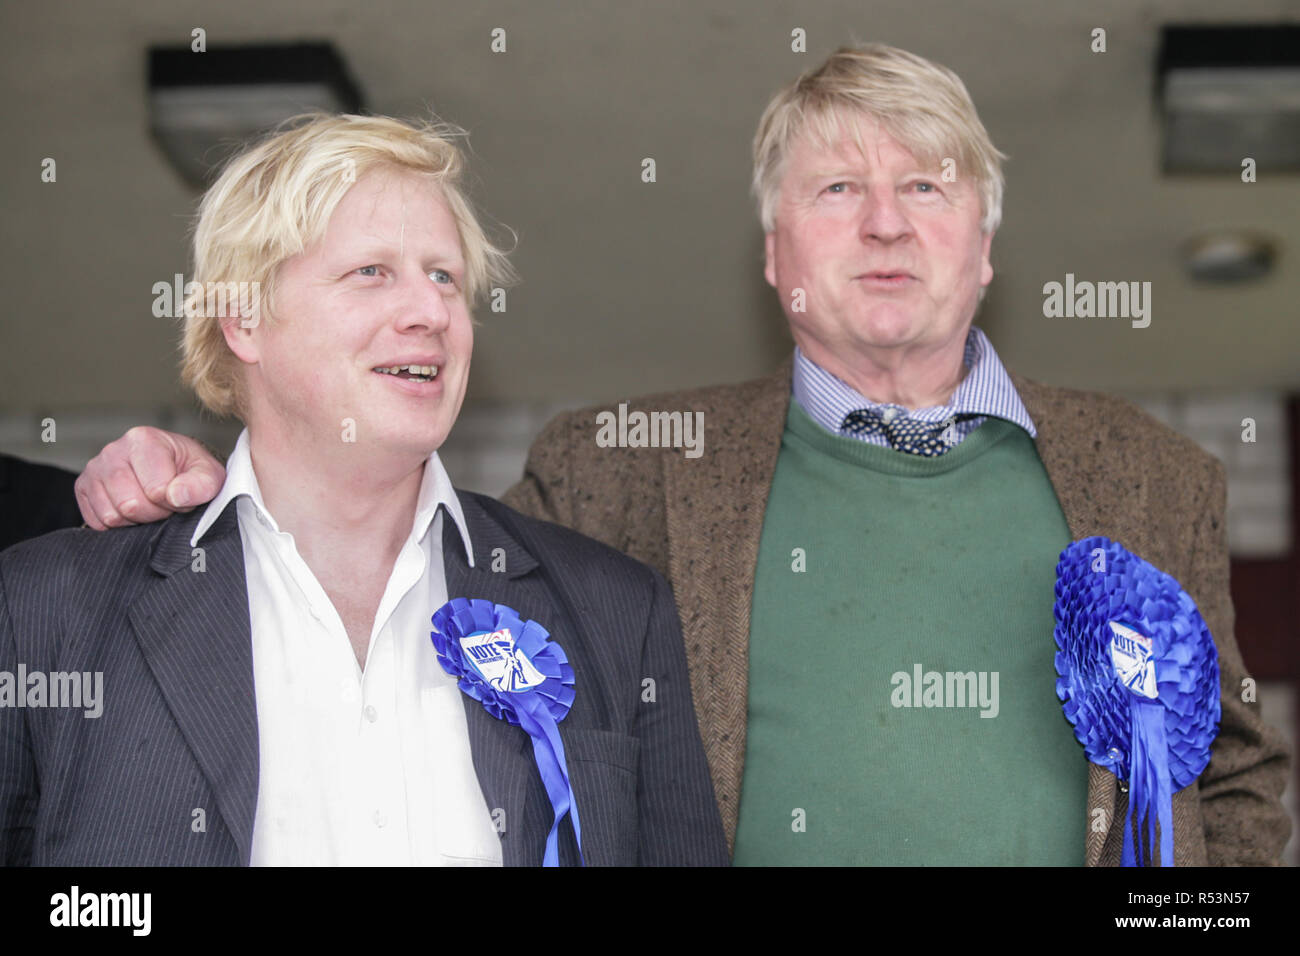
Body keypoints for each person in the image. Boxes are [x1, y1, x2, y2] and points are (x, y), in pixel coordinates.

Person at [72, 46, 1290, 865]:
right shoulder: (624, 465)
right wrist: (203, 494)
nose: (883, 219)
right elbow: (400, 574)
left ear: (983, 247)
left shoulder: (1150, 474)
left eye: (927, 184)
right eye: (835, 187)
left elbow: (1233, 774)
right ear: (773, 253)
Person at [0, 113, 727, 866]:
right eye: (371, 272)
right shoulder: (45, 610)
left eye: (443, 276)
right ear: (243, 321)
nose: (431, 312)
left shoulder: (617, 610)